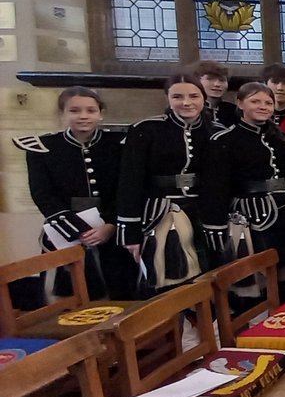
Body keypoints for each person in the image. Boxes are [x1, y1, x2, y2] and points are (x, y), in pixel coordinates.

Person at [15, 87, 134, 299]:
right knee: (65, 297)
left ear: (101, 113)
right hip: (64, 232)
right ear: (62, 114)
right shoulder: (43, 148)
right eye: (74, 110)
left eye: (91, 110)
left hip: (111, 232)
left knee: (119, 292)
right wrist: (76, 231)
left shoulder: (120, 145)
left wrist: (110, 225)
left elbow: (127, 189)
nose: (83, 116)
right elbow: (43, 194)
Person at [200, 82, 285, 300]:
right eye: (255, 101)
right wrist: (216, 225)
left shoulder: (279, 138)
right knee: (257, 273)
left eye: (268, 103)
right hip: (252, 215)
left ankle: (284, 314)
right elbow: (216, 187)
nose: (263, 106)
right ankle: (259, 320)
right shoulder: (225, 140)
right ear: (240, 103)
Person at [116, 74, 217, 294]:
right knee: (168, 278)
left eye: (194, 96)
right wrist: (129, 233)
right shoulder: (146, 129)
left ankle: (203, 326)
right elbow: (129, 182)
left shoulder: (215, 131)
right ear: (167, 98)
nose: (186, 102)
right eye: (178, 96)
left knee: (207, 278)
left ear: (203, 98)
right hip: (160, 213)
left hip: (203, 213)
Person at [194, 60, 238, 128]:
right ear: (198, 80)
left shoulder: (234, 111)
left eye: (222, 80)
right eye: (210, 79)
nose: (217, 84)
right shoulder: (191, 109)